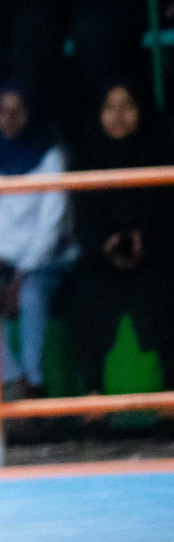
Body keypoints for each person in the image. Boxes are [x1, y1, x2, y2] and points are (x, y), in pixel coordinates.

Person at [0, 84, 76, 400]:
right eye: (2, 111)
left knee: (32, 296)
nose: (8, 119)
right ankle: (14, 382)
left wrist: (22, 273)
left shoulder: (49, 156)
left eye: (17, 111)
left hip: (43, 261)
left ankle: (35, 382)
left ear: (31, 113)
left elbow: (50, 223)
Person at [69, 81, 174, 393]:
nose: (118, 116)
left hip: (157, 256)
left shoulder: (161, 153)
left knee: (167, 291)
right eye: (109, 107)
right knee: (84, 294)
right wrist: (106, 246)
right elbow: (83, 222)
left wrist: (147, 244)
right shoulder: (87, 158)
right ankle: (94, 401)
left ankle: (169, 399)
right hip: (101, 259)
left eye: (127, 106)